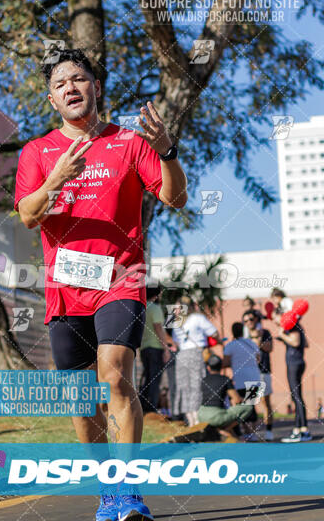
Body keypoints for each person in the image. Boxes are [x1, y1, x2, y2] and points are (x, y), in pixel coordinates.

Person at [14, 48, 187, 521]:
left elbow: (175, 197)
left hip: (121, 279)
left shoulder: (128, 144)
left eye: (79, 78)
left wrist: (167, 151)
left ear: (95, 87)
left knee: (114, 373)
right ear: (52, 99)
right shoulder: (37, 152)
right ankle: (107, 491)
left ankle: (128, 492)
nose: (71, 87)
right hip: (64, 289)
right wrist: (55, 179)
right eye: (60, 83)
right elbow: (28, 216)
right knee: (81, 396)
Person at [171, 300, 219, 427]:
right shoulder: (197, 318)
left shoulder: (176, 323)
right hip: (196, 354)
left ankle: (191, 421)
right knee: (196, 386)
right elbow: (214, 333)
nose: (176, 311)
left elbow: (175, 342)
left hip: (181, 356)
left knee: (184, 388)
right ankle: (197, 421)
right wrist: (217, 342)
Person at [272, 318, 312, 442]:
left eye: (276, 317)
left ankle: (302, 430)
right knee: (296, 396)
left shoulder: (293, 326)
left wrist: (282, 335)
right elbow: (305, 344)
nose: (274, 320)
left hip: (294, 364)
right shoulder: (295, 327)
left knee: (296, 396)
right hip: (296, 363)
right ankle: (299, 430)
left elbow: (296, 342)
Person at [222, 322, 261, 441]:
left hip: (241, 379)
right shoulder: (251, 343)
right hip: (255, 377)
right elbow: (258, 357)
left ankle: (247, 432)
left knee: (243, 406)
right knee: (252, 404)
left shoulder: (230, 345)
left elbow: (225, 362)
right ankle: (253, 432)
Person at [198, 354, 253, 437]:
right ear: (221, 367)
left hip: (201, 415)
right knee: (248, 407)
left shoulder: (203, 380)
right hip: (217, 416)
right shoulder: (225, 379)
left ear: (208, 368)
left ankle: (217, 430)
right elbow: (236, 399)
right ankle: (224, 429)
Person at [139, 286, 172, 414]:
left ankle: (142, 405)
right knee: (155, 379)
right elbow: (158, 327)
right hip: (155, 347)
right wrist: (166, 348)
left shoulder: (142, 307)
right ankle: (151, 408)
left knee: (147, 377)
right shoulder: (155, 308)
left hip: (144, 347)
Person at [243, 310, 274, 441]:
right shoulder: (244, 336)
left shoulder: (265, 332)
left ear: (256, 319)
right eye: (245, 320)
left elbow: (269, 347)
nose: (249, 322)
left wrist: (259, 339)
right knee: (251, 402)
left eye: (251, 319)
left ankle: (269, 430)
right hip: (251, 373)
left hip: (263, 371)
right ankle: (252, 432)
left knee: (265, 402)